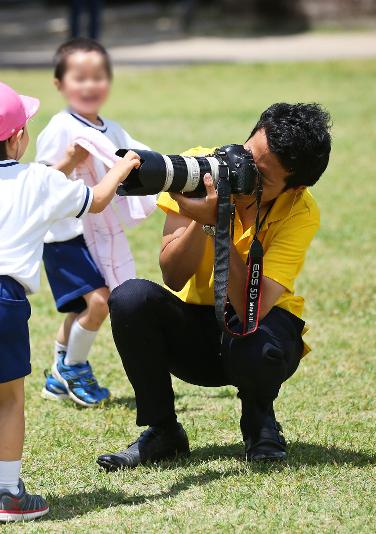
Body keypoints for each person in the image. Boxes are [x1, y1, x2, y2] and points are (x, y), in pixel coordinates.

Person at [0, 79, 140, 523]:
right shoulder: (39, 180)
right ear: (18, 138)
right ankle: (7, 493)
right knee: (9, 399)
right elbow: (97, 201)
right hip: (2, 298)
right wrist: (122, 164)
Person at [97, 103, 332, 471]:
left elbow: (248, 307)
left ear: (294, 186)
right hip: (197, 336)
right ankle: (163, 431)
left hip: (256, 334)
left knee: (260, 342)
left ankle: (260, 422)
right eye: (248, 157)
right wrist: (201, 221)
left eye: (263, 177)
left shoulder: (300, 210)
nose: (246, 174)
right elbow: (173, 276)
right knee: (131, 298)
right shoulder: (200, 169)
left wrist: (220, 222)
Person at [36, 38, 153, 407]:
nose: (89, 85)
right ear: (60, 84)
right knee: (99, 302)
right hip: (64, 235)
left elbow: (142, 154)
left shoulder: (111, 128)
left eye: (98, 77)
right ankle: (73, 367)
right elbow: (41, 182)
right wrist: (71, 158)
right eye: (79, 77)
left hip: (96, 234)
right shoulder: (60, 127)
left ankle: (57, 377)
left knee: (79, 308)